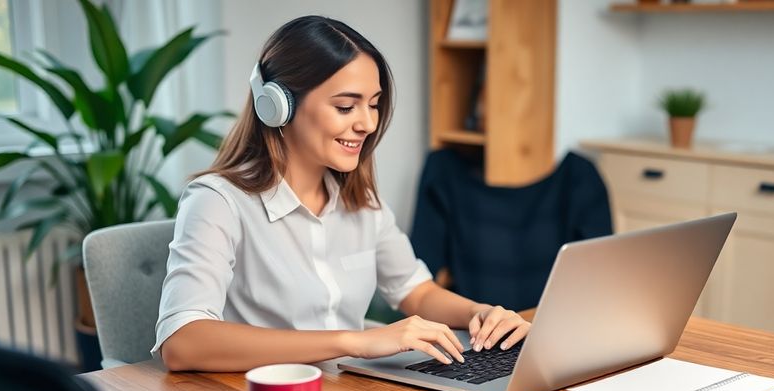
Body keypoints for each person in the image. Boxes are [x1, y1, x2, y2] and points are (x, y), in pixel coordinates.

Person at [154, 16, 529, 372]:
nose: (367, 123)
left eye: (374, 104)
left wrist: (479, 314)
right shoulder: (218, 202)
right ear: (277, 106)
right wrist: (355, 341)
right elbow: (182, 341)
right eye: (346, 106)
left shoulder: (360, 200)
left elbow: (414, 291)